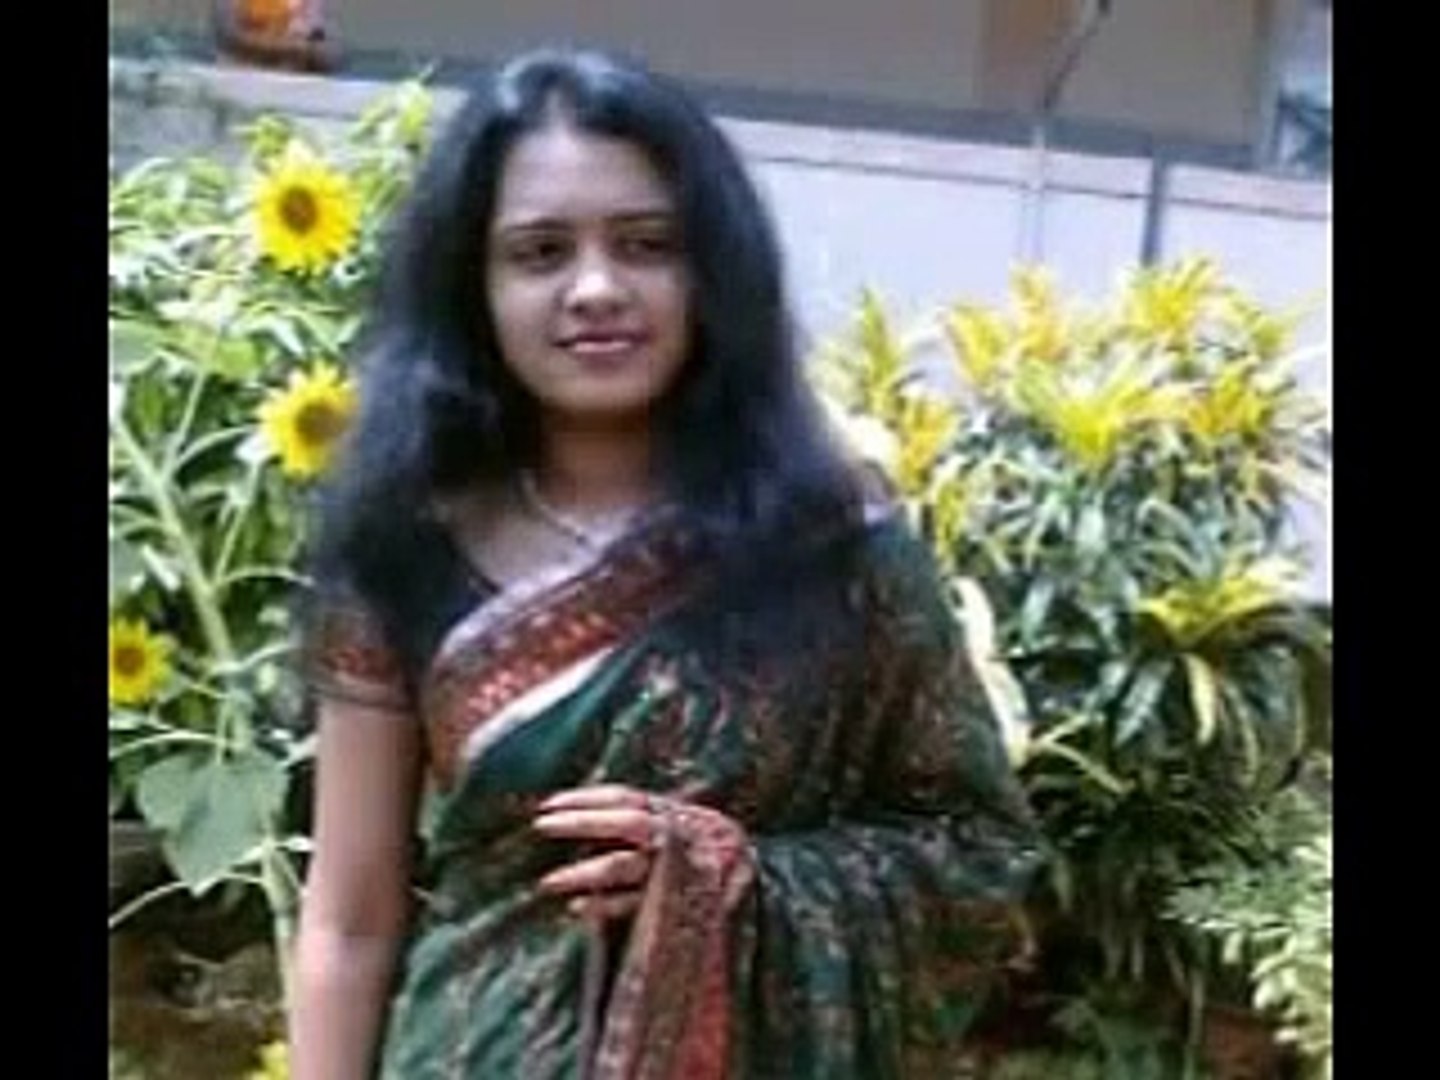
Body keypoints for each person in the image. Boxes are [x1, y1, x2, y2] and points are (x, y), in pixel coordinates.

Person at [290, 46, 1044, 1080]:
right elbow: (349, 918)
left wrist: (726, 881)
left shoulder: (836, 547)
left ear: (710, 273)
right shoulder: (403, 550)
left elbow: (977, 851)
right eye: (540, 252)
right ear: (475, 286)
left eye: (647, 245)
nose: (597, 288)